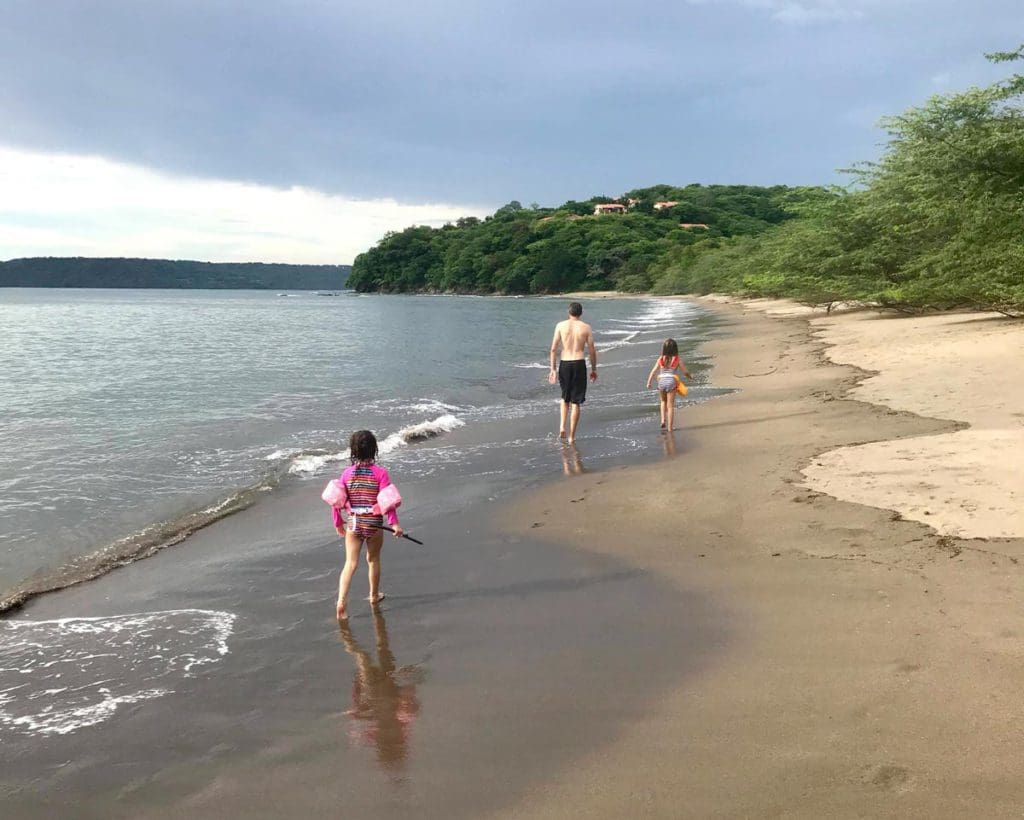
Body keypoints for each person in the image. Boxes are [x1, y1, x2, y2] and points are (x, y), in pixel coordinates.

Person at [332, 430, 405, 620]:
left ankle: (341, 601)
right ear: (374, 449)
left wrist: (338, 522)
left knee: (350, 563)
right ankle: (373, 595)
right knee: (373, 560)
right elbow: (387, 502)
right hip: (374, 524)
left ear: (353, 451)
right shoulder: (380, 474)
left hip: (354, 522)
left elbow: (337, 501)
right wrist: (395, 525)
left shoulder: (346, 474)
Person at [549, 301, 597, 443]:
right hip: (579, 363)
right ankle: (572, 436)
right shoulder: (586, 327)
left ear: (569, 312)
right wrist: (594, 369)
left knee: (565, 398)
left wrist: (553, 369)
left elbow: (553, 349)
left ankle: (562, 427)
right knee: (576, 402)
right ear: (581, 313)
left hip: (565, 363)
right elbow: (592, 350)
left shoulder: (560, 325)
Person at [646, 338, 693, 432]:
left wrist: (649, 382)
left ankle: (663, 420)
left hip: (661, 381)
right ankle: (670, 428)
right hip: (671, 380)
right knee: (670, 406)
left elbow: (653, 371)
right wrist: (690, 376)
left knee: (663, 401)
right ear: (675, 349)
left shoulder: (660, 359)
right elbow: (685, 372)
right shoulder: (677, 359)